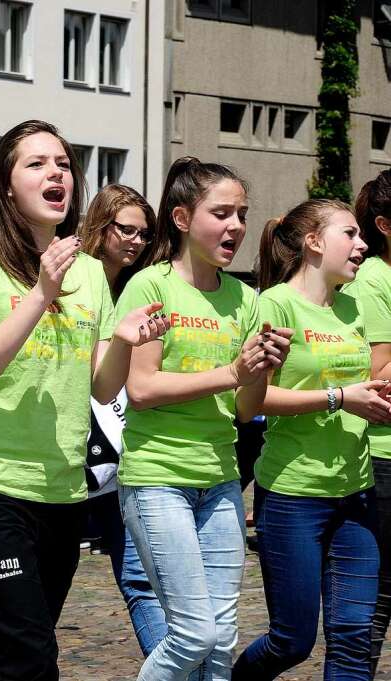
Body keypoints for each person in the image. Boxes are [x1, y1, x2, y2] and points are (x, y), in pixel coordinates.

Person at [0, 120, 168, 681]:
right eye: (36, 164)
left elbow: (103, 387)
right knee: (29, 656)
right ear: (6, 184)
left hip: (63, 496)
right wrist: (41, 293)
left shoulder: (88, 272)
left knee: (15, 656)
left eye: (62, 163)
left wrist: (124, 341)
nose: (55, 173)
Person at [116, 157, 291, 681]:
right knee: (194, 633)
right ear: (183, 219)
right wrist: (232, 370)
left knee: (220, 643)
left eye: (241, 214)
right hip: (158, 479)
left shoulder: (246, 298)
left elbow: (245, 408)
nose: (236, 226)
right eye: (222, 213)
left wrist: (260, 370)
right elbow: (141, 389)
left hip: (220, 482)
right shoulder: (151, 287)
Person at [231, 199, 387, 679]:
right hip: (293, 496)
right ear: (313, 242)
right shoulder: (272, 304)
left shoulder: (354, 305)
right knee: (292, 641)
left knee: (355, 638)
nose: (361, 245)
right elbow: (250, 403)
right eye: (351, 234)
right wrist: (340, 398)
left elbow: (366, 384)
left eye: (362, 236)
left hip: (356, 494)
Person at [76, 183, 168, 656]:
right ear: (100, 225)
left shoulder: (140, 284)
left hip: (124, 445)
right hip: (75, 441)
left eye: (143, 234)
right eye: (125, 230)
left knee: (138, 575)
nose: (135, 241)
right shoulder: (76, 277)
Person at [341, 169, 391, 677]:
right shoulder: (373, 281)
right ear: (385, 224)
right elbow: (378, 374)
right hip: (382, 455)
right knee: (379, 592)